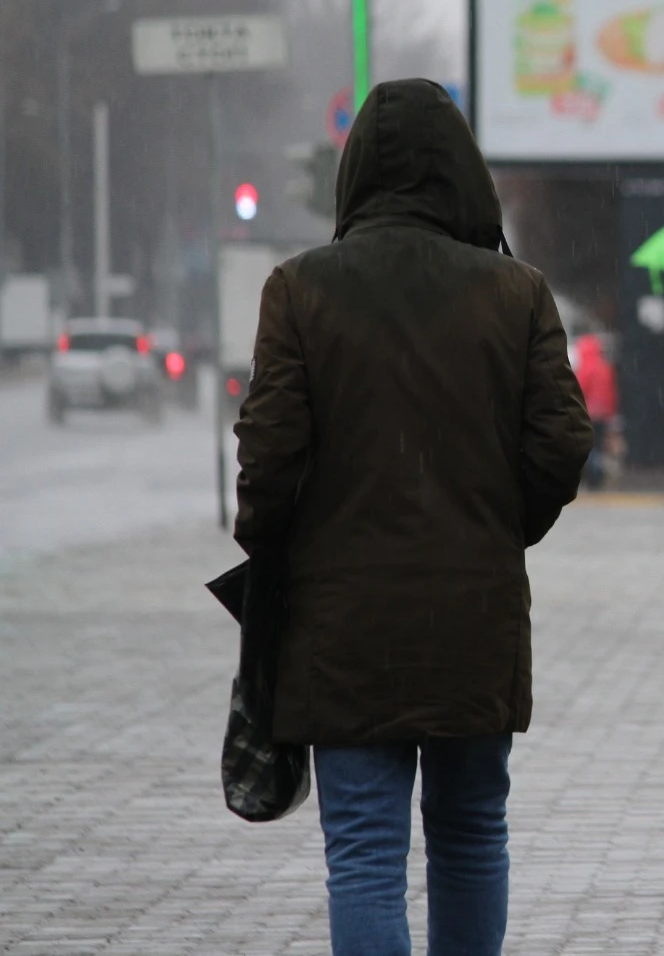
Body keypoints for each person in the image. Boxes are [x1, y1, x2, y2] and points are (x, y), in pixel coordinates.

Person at [233, 79, 593, 956]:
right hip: (474, 614)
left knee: (363, 855)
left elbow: (268, 455)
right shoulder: (516, 293)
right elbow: (562, 441)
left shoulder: (300, 289)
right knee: (471, 835)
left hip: (343, 622)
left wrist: (277, 552)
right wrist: (499, 524)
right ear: (465, 175)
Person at [573, 333, 618, 488]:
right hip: (602, 415)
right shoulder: (605, 367)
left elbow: (579, 390)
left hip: (588, 414)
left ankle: (593, 477)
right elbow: (611, 393)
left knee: (588, 448)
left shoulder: (585, 368)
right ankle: (598, 477)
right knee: (598, 446)